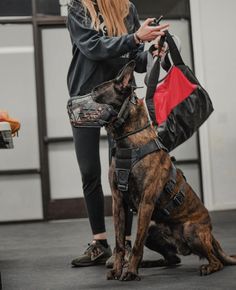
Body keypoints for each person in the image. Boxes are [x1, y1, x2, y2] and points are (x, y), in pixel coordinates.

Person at [66, 0, 169, 267]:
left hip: (122, 102)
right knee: (89, 171)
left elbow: (135, 59)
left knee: (124, 173)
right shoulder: (79, 7)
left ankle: (122, 246)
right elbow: (93, 47)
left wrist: (154, 53)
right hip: (86, 99)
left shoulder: (127, 9)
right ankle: (100, 243)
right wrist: (135, 37)